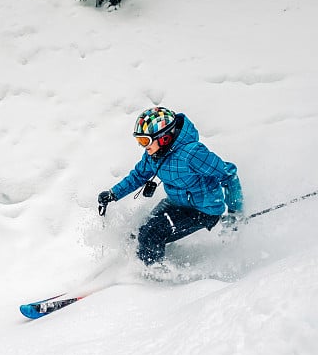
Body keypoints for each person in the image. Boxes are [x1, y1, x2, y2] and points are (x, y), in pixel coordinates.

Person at [98, 106, 243, 265]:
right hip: (176, 203)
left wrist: (235, 212)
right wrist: (113, 194)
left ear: (164, 138)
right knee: (137, 232)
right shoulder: (154, 155)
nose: (143, 146)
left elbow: (228, 174)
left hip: (204, 209)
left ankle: (154, 277)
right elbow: (139, 175)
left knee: (150, 235)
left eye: (145, 140)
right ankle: (132, 266)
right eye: (139, 141)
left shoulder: (192, 154)